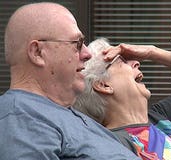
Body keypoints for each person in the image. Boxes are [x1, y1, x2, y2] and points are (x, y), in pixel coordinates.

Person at [0, 2, 141, 160]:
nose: (87, 54)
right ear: (37, 52)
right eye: (78, 44)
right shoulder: (22, 119)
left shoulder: (66, 116)